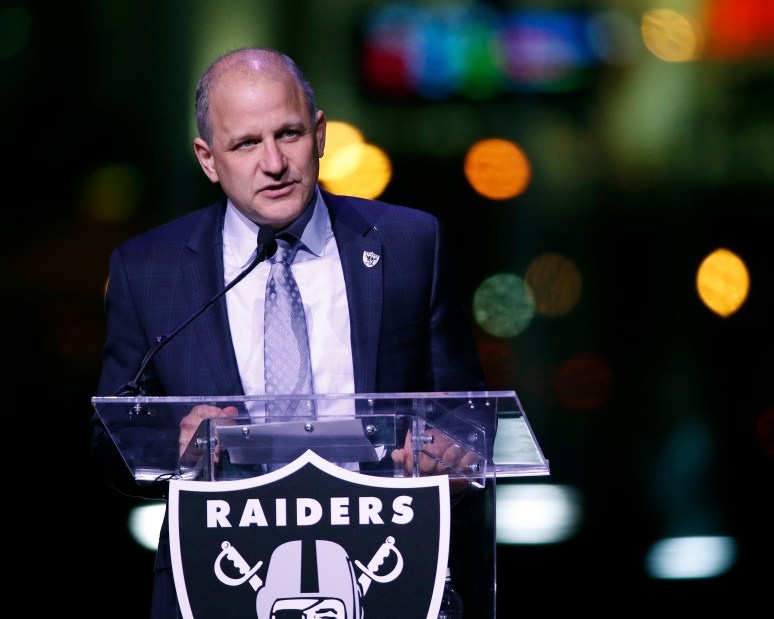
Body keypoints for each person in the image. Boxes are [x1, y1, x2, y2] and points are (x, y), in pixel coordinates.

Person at [89, 47, 488, 618]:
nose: (273, 163)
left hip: (389, 570)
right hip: (220, 579)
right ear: (208, 159)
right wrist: (171, 447)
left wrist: (451, 456)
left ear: (320, 133)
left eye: (290, 134)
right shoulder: (148, 270)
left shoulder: (409, 244)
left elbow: (466, 412)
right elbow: (109, 437)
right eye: (246, 144)